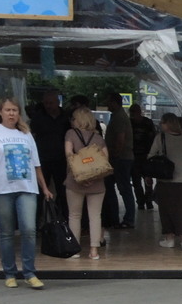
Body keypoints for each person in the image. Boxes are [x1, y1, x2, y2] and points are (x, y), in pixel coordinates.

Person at [0, 97, 53, 289]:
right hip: (2, 189)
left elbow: (36, 163)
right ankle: (9, 273)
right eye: (8, 110)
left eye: (14, 110)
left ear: (19, 113)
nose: (11, 113)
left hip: (27, 188)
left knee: (29, 229)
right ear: (0, 112)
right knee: (6, 232)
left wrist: (44, 187)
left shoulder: (26, 134)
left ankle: (29, 272)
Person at [147, 113, 182, 251]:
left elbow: (151, 157)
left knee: (167, 211)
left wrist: (149, 175)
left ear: (167, 124)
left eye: (162, 122)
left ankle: (169, 239)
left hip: (166, 181)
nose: (160, 125)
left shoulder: (160, 138)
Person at [64, 106, 108, 260]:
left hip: (75, 181)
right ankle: (94, 250)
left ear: (77, 120)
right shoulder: (98, 138)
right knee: (95, 216)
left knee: (74, 216)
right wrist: (92, 176)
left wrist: (81, 174)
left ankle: (75, 250)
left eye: (73, 118)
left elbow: (68, 154)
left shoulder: (70, 134)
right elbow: (105, 160)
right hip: (97, 183)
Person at [28, 89, 69, 218]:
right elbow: (31, 136)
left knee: (63, 191)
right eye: (46, 103)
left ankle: (63, 219)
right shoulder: (38, 117)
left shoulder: (66, 117)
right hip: (42, 159)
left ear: (57, 102)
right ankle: (38, 220)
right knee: (40, 191)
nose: (48, 106)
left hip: (61, 160)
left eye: (51, 103)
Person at [103, 92, 136, 228]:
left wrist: (114, 155)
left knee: (124, 188)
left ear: (114, 102)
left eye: (108, 101)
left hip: (121, 158)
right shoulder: (117, 116)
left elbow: (120, 139)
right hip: (120, 158)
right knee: (112, 187)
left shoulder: (119, 117)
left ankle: (128, 219)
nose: (107, 104)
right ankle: (113, 217)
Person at [129, 103, 157, 209]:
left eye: (134, 112)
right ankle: (142, 201)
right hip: (137, 156)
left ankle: (147, 201)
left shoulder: (147, 123)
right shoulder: (132, 122)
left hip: (145, 156)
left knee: (146, 180)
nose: (133, 114)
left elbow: (153, 138)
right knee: (137, 181)